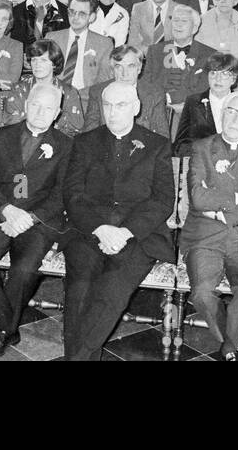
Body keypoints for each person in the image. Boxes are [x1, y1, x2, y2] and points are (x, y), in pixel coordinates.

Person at [61, 81, 174, 360]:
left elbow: (162, 200)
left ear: (135, 108)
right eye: (107, 105)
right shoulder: (85, 142)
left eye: (121, 105)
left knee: (111, 293)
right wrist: (100, 229)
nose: (112, 112)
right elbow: (72, 195)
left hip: (138, 235)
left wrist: (124, 232)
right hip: (89, 231)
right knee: (79, 291)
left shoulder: (156, 145)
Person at [0, 83, 72, 358]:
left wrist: (29, 217)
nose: (40, 112)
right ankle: (3, 329)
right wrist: (6, 210)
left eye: (48, 108)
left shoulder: (66, 146)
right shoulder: (1, 136)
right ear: (26, 105)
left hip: (38, 221)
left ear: (57, 113)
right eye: (36, 105)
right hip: (0, 215)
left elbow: (62, 194)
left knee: (25, 269)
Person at [181, 90, 238, 361]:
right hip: (205, 236)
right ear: (222, 113)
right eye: (231, 111)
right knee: (201, 292)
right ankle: (233, 344)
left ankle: (228, 346)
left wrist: (222, 213)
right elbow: (197, 198)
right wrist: (236, 198)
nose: (236, 119)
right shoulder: (201, 148)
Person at [45, 0, 115, 110]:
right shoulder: (52, 38)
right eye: (72, 12)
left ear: (92, 17)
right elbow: (45, 73)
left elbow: (103, 82)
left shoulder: (104, 44)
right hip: (52, 100)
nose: (75, 17)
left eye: (82, 14)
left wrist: (73, 96)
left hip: (85, 102)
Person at [174, 52, 238, 157]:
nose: (218, 79)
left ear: (233, 79)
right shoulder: (193, 102)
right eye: (213, 73)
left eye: (224, 74)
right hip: (201, 163)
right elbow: (180, 145)